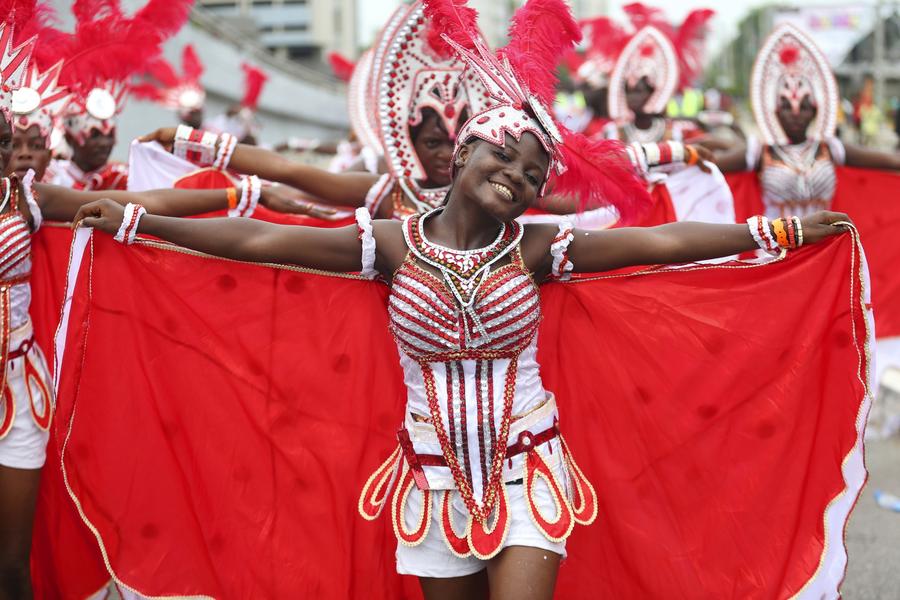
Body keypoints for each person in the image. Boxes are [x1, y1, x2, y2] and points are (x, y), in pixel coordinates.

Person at [72, 3, 849, 597]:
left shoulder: (540, 247)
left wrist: (773, 232)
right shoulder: (390, 242)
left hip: (530, 470)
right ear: (467, 150)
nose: (516, 176)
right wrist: (142, 223)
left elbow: (659, 245)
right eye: (502, 155)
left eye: (533, 174)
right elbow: (261, 243)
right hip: (430, 476)